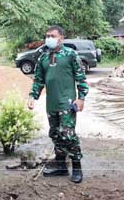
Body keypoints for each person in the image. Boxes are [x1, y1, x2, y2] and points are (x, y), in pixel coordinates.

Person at [28, 25, 89, 183]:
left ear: (61, 37)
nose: (49, 38)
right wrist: (32, 96)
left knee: (68, 134)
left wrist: (81, 98)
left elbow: (81, 78)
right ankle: (61, 166)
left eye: (52, 36)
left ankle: (76, 166)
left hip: (67, 103)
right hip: (52, 103)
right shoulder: (43, 58)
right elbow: (38, 80)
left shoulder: (70, 55)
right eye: (47, 36)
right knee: (55, 133)